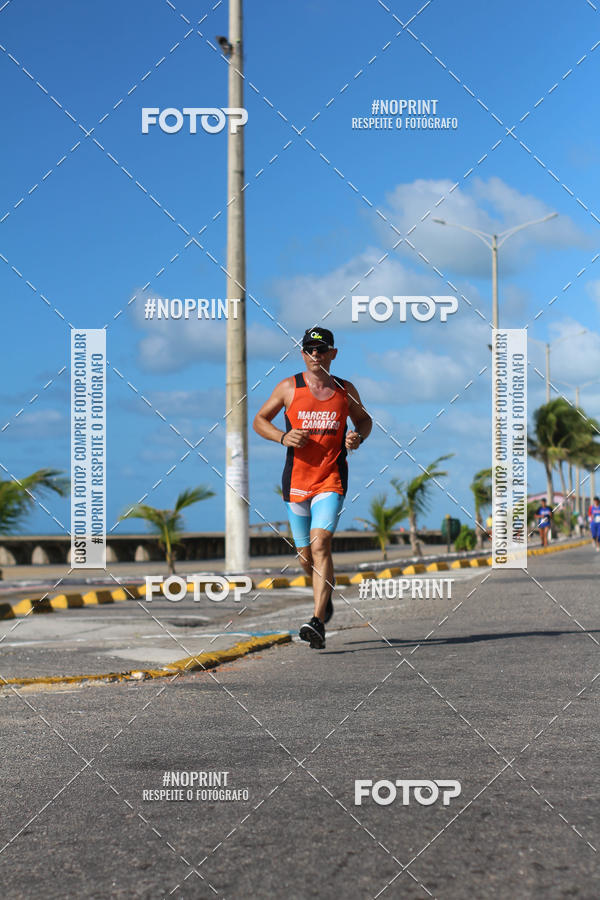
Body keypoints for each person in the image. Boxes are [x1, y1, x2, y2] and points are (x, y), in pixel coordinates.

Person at [253, 327, 372, 649]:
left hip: (331, 478)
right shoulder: (289, 387)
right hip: (296, 480)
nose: (315, 355)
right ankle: (325, 595)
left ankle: (317, 620)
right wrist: (281, 436)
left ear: (333, 354)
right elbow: (260, 420)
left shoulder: (345, 390)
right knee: (305, 556)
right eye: (309, 350)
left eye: (321, 350)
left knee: (321, 545)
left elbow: (364, 421)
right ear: (302, 354)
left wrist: (356, 437)